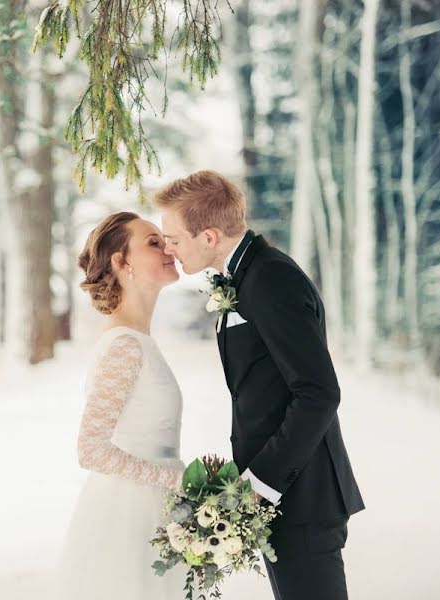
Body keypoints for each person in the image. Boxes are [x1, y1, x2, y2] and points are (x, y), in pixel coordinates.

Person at [157, 170, 364, 600]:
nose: (169, 248)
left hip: (302, 496)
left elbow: (318, 392)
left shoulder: (270, 279)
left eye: (174, 238)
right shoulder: (248, 275)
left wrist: (258, 487)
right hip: (282, 499)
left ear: (209, 236)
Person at [58, 211, 186, 600]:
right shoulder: (125, 346)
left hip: (156, 512)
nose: (168, 247)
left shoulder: (138, 341)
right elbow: (91, 449)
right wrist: (177, 480)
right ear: (121, 261)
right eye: (153, 241)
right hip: (130, 519)